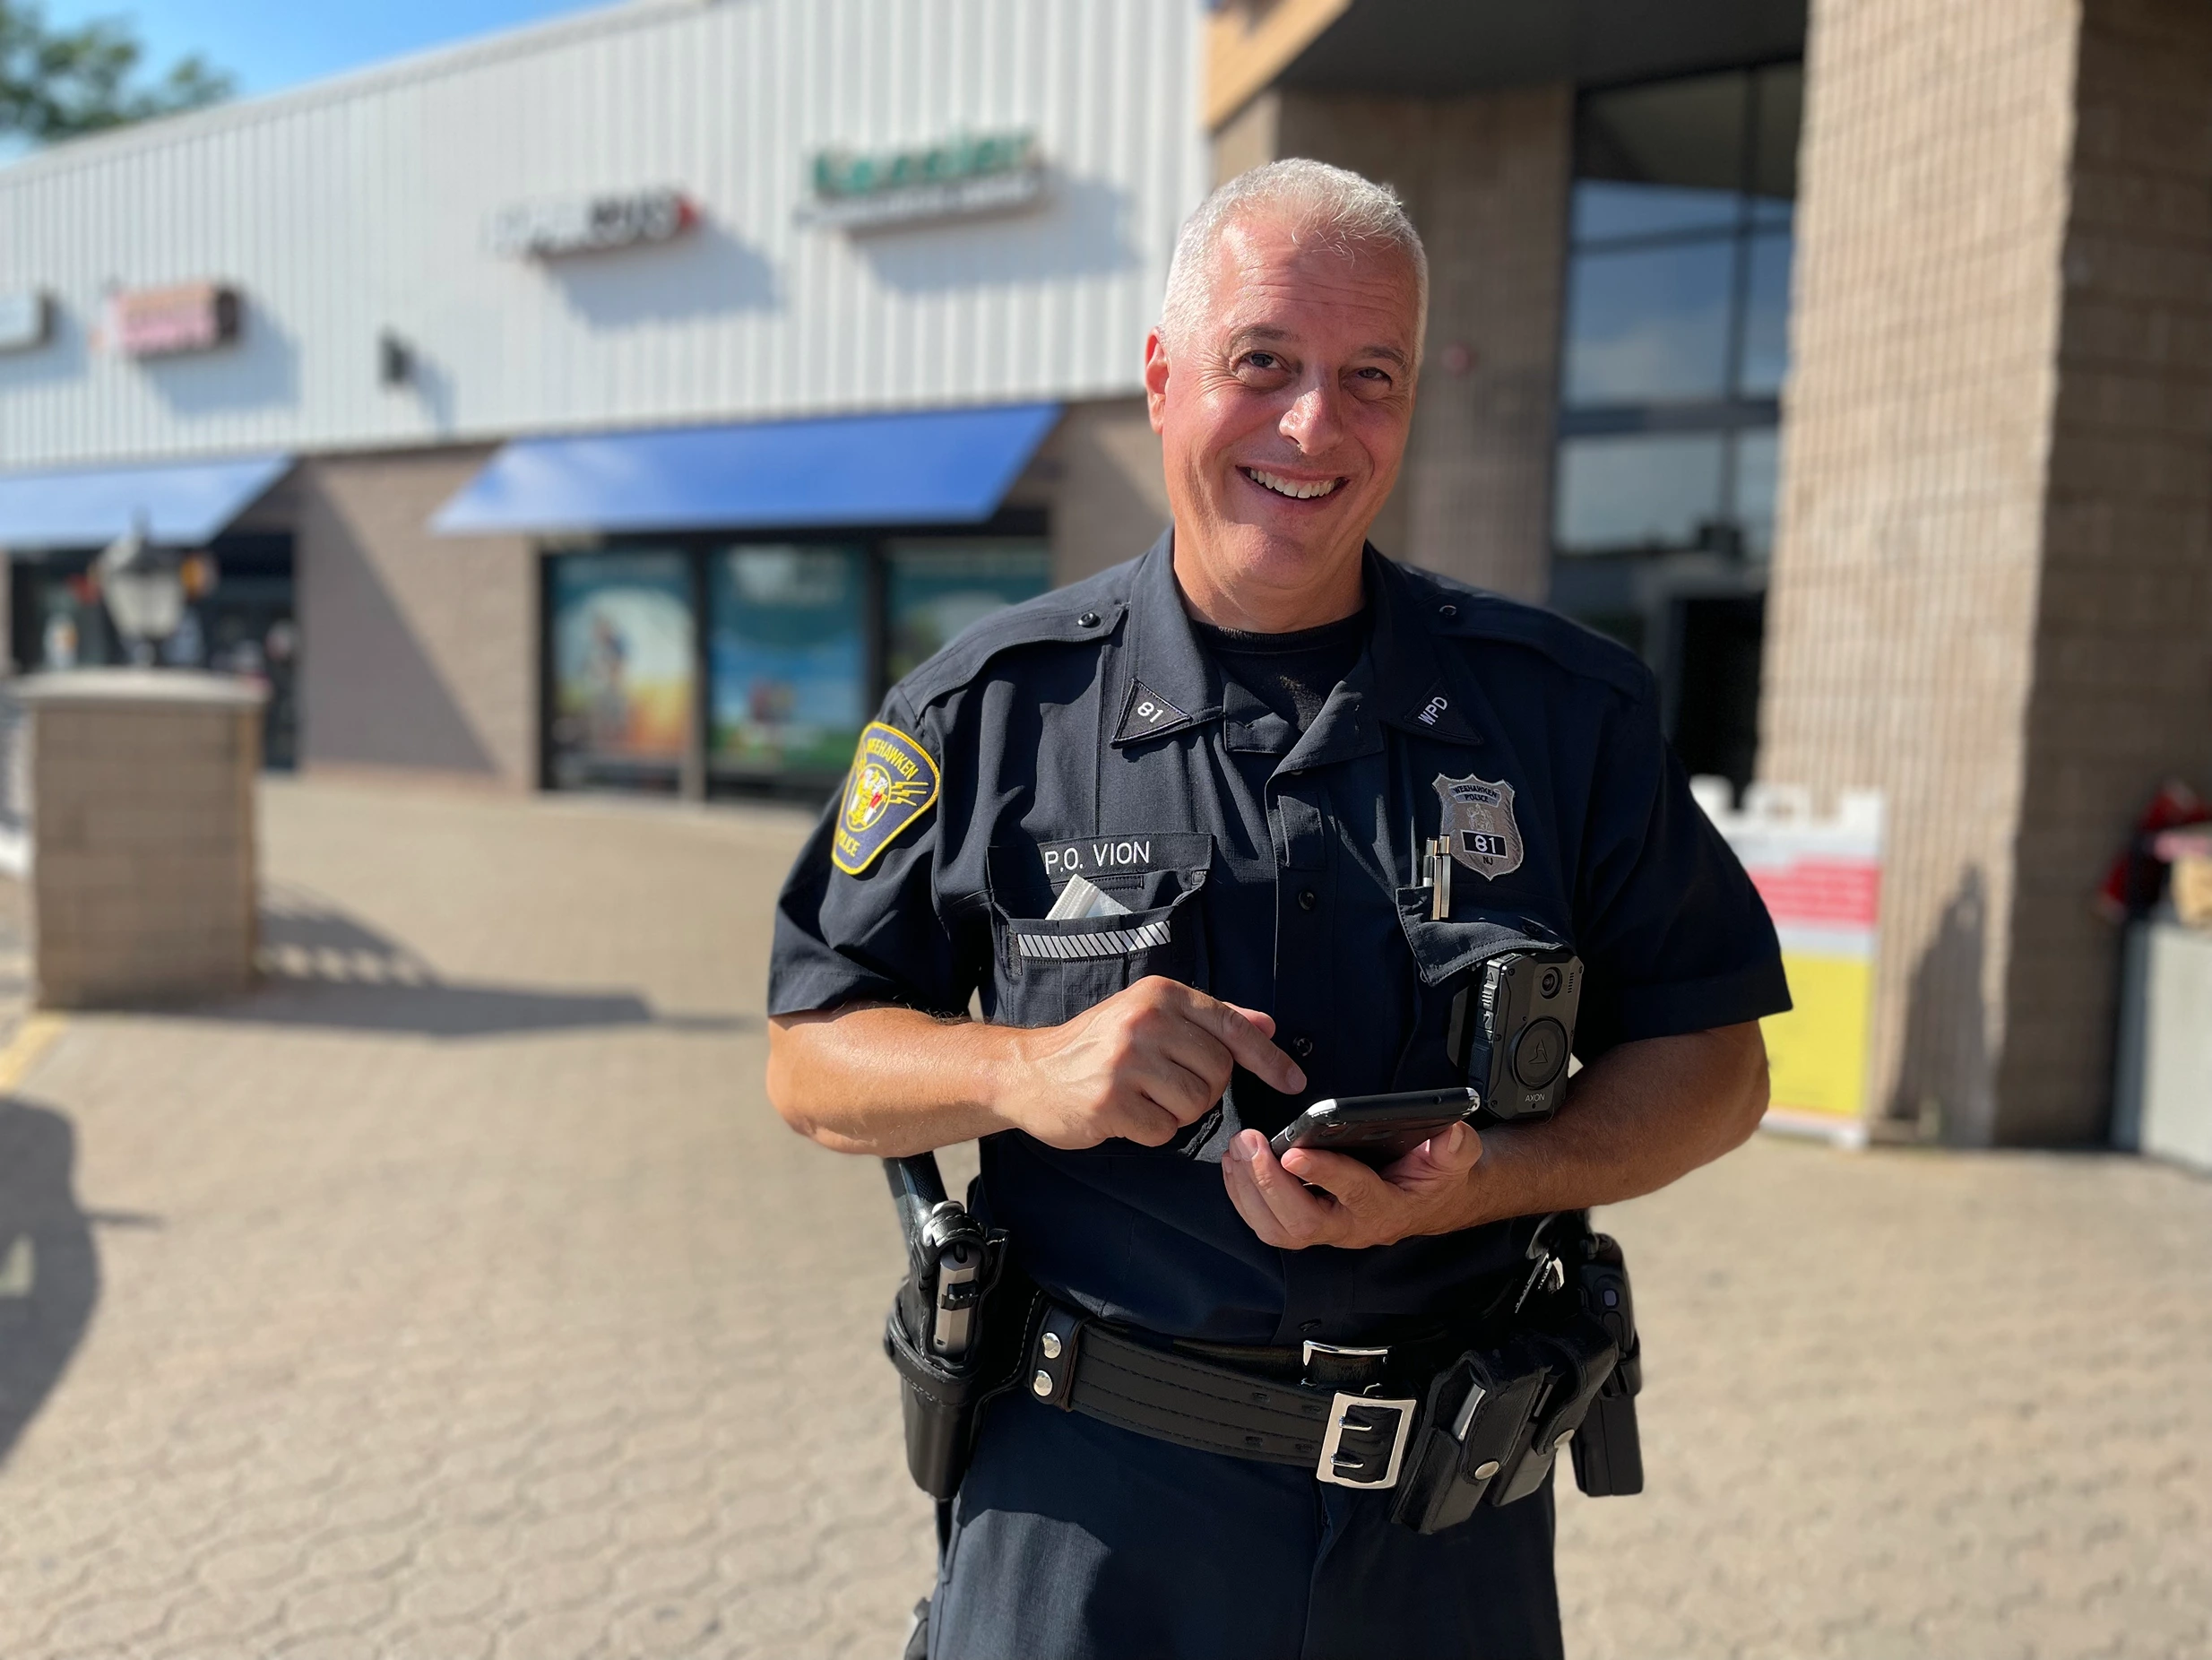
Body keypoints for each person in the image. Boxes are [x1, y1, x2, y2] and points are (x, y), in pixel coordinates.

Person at [766, 160, 1787, 1660]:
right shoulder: (995, 713)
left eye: (1367, 377)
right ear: (1164, 378)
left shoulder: (1563, 718)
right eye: (1263, 364)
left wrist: (1488, 1178)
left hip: (1444, 1541)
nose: (1315, 425)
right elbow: (810, 1059)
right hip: (1091, 1524)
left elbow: (1718, 1069)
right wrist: (1018, 1072)